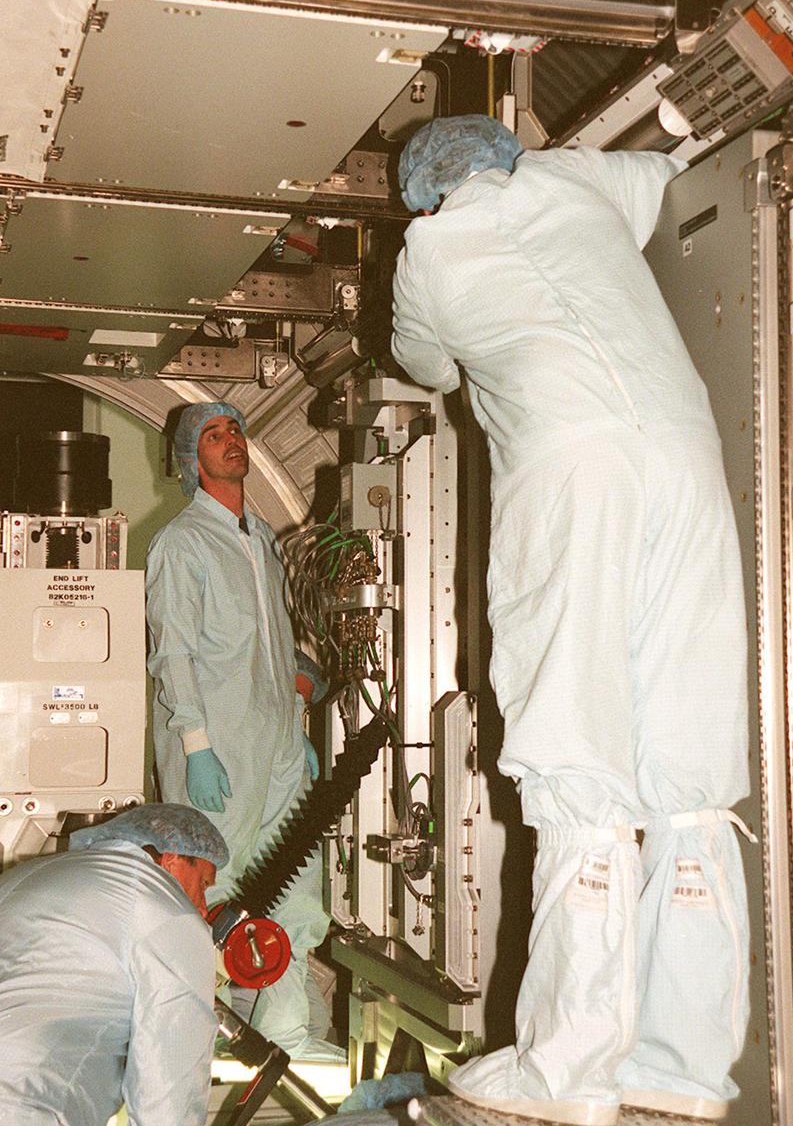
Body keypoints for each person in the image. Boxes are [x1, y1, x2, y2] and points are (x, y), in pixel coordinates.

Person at [392, 116, 752, 1126]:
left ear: (427, 196)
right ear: (506, 154)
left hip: (570, 475)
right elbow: (678, 167)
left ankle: (567, 1072)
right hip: (684, 455)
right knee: (687, 767)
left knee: (574, 754)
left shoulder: (427, 252)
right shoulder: (576, 179)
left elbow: (425, 367)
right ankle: (680, 1067)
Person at [146, 402, 333, 1058]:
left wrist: (295, 722)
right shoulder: (181, 543)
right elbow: (174, 654)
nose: (232, 442)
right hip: (216, 748)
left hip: (276, 744)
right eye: (215, 435)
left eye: (237, 431)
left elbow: (273, 650)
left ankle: (284, 1032)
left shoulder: (262, 544)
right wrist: (196, 745)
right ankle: (197, 1042)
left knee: (293, 879)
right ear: (191, 460)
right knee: (214, 891)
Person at [0, 802, 227, 1126]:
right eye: (204, 883)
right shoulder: (169, 914)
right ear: (173, 857)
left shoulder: (29, 875)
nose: (204, 908)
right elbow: (169, 1096)